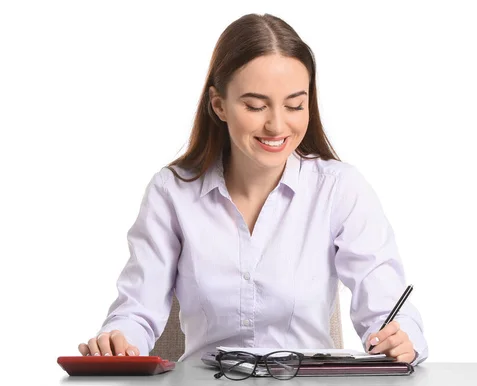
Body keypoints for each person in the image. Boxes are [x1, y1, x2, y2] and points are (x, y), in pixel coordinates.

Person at [78, 13, 428, 365]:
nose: (277, 125)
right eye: (256, 106)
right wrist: (118, 340)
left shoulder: (339, 189)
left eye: (295, 105)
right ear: (219, 105)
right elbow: (137, 311)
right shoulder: (172, 193)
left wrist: (399, 337)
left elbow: (388, 310)